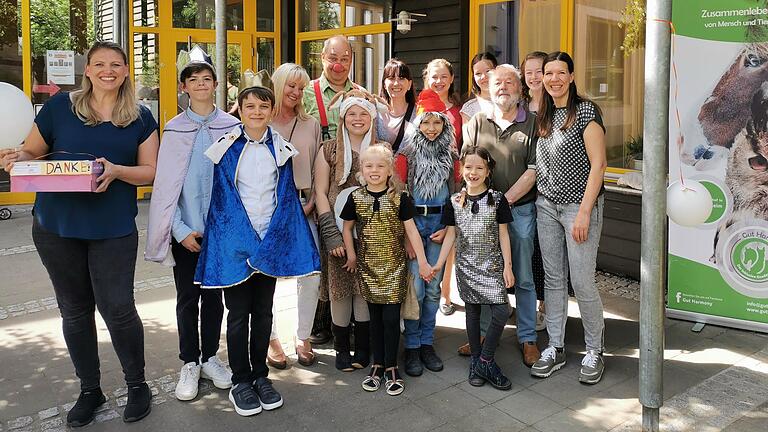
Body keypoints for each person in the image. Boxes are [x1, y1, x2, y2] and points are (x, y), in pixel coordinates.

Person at [0, 41, 159, 426]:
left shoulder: (139, 117)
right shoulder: (60, 108)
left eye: (116, 64)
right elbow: (32, 153)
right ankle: (90, 389)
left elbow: (151, 171)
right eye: (99, 64)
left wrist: (118, 171)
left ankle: (137, 385)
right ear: (87, 70)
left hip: (113, 228)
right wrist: (14, 157)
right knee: (74, 311)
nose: (108, 70)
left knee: (118, 310)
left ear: (125, 71)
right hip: (57, 227)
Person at [194, 86, 320, 416]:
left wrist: (276, 241)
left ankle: (261, 376)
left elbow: (286, 198)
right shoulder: (225, 149)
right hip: (237, 245)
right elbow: (222, 204)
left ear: (270, 109)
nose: (256, 112)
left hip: (269, 243)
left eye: (263, 106)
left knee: (264, 312)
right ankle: (240, 380)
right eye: (249, 106)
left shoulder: (281, 149)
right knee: (237, 315)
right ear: (240, 108)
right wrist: (245, 242)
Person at [145, 59, 238, 401]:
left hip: (220, 231)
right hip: (185, 232)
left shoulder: (232, 127)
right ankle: (189, 361)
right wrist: (181, 230)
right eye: (193, 79)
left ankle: (211, 356)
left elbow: (236, 182)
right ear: (184, 87)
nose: (201, 84)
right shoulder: (173, 129)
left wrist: (223, 228)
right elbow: (166, 188)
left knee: (215, 298)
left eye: (207, 78)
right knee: (187, 299)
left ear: (216, 84)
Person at [530, 51, 607, 385]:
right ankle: (556, 347)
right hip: (546, 205)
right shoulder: (544, 113)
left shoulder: (586, 111)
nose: (554, 79)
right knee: (554, 279)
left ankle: (594, 350)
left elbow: (599, 165)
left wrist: (585, 213)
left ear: (572, 76)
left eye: (561, 72)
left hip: (579, 207)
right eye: (549, 73)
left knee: (582, 280)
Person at [461, 64, 540, 365]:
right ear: (488, 88)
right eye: (497, 83)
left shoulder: (532, 122)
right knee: (485, 274)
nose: (503, 87)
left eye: (510, 82)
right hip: (481, 212)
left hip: (519, 210)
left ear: (520, 89)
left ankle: (528, 338)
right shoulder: (478, 122)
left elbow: (534, 171)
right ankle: (480, 335)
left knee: (522, 274)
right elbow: (467, 163)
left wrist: (502, 203)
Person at [340, 145, 433, 396]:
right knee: (375, 320)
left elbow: (412, 230)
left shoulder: (400, 198)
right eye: (369, 166)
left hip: (394, 268)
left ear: (389, 170)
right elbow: (347, 228)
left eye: (380, 166)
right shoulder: (356, 198)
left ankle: (392, 366)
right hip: (368, 268)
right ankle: (377, 365)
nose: (374, 170)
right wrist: (351, 254)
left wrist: (423, 262)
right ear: (362, 170)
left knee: (392, 320)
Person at [313, 90, 388, 371]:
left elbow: (393, 191)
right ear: (343, 117)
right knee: (341, 289)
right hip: (338, 234)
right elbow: (320, 191)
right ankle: (341, 346)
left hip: (372, 234)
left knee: (363, 290)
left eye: (364, 113)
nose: (358, 119)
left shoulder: (381, 149)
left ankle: (363, 347)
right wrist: (330, 232)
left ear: (372, 117)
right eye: (352, 113)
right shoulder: (329, 149)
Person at [433, 146, 515, 391]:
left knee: (501, 311)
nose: (473, 172)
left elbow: (504, 235)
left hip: (492, 266)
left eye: (479, 167)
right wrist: (438, 264)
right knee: (473, 313)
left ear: (488, 171)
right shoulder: (454, 202)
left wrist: (508, 267)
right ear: (461, 169)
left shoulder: (498, 200)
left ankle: (485, 360)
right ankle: (476, 365)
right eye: (469, 167)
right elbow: (451, 235)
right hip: (467, 267)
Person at [303, 35, 362, 345]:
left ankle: (350, 322)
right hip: (318, 182)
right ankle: (320, 322)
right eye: (333, 58)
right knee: (322, 255)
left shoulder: (362, 94)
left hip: (353, 184)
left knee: (351, 250)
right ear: (322, 58)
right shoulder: (306, 93)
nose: (339, 64)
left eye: (345, 59)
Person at [394, 108, 461, 377]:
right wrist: (406, 238)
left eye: (437, 122)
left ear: (445, 125)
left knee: (433, 288)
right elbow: (398, 195)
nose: (432, 128)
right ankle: (411, 345)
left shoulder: (452, 155)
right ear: (418, 125)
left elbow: (457, 193)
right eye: (426, 122)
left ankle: (426, 343)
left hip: (438, 225)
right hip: (413, 224)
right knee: (416, 290)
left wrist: (447, 226)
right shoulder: (406, 154)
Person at [268, 63, 324, 367]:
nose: (296, 92)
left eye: (301, 88)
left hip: (305, 206)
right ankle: (271, 337)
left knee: (311, 275)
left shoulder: (309, 123)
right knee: (268, 277)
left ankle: (303, 336)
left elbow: (318, 166)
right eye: (291, 86)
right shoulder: (260, 119)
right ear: (278, 85)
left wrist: (313, 200)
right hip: (270, 209)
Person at [422, 59, 463, 316]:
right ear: (427, 78)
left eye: (444, 76)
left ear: (451, 78)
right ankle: (429, 292)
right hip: (425, 186)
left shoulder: (459, 112)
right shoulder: (421, 107)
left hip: (452, 178)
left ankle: (446, 294)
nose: (439, 81)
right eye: (434, 76)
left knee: (450, 240)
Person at [521, 50, 549, 332]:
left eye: (538, 70)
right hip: (526, 188)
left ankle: (547, 306)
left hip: (550, 186)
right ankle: (529, 305)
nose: (533, 77)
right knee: (528, 252)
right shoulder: (521, 104)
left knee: (547, 252)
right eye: (528, 72)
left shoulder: (554, 104)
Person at [377, 58, 417, 153]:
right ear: (384, 84)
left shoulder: (419, 113)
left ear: (409, 84)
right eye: (391, 78)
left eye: (401, 78)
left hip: (411, 167)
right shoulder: (375, 113)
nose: (396, 83)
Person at [460, 52, 498, 122]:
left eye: (488, 71)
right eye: (478, 73)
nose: (483, 77)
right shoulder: (470, 108)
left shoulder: (510, 100)